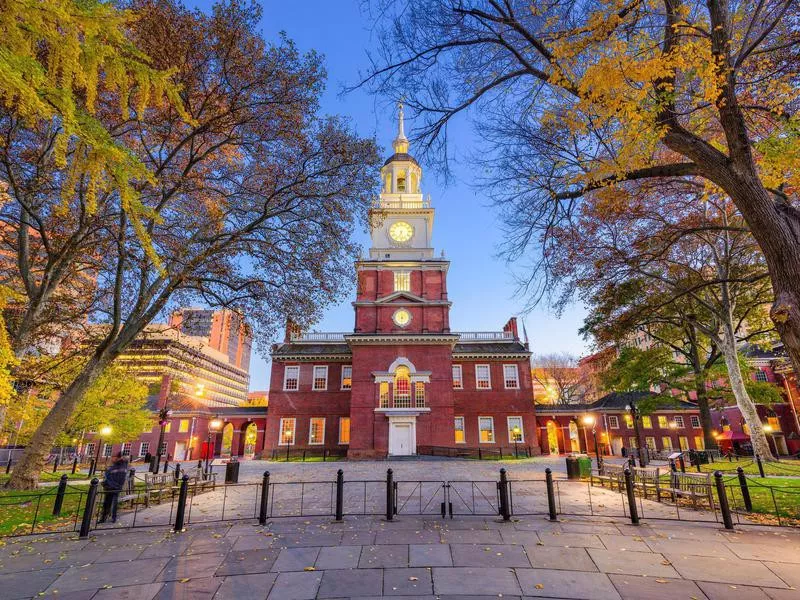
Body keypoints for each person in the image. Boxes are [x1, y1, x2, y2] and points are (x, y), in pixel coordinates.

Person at [99, 454, 128, 523]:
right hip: (112, 487)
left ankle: (109, 517)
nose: (112, 459)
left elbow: (117, 477)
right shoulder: (118, 466)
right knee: (108, 502)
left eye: (114, 457)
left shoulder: (120, 466)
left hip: (114, 487)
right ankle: (106, 517)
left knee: (112, 502)